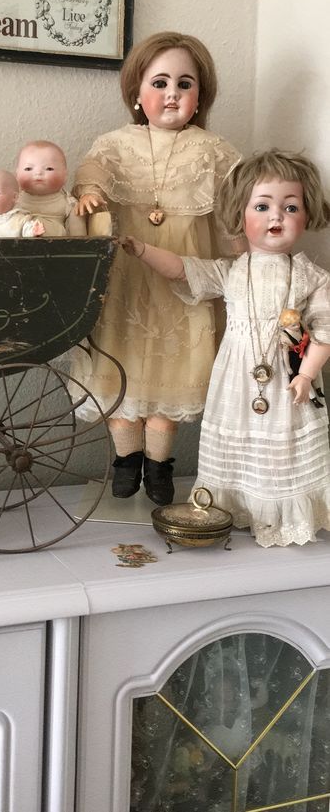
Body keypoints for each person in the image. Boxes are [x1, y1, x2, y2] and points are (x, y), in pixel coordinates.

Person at [123, 149, 330, 547]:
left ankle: (277, 513)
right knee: (238, 439)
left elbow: (323, 330)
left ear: (307, 215)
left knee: (281, 443)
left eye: (291, 207)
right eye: (263, 206)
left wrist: (307, 374)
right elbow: (184, 268)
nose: (277, 217)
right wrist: (143, 250)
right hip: (236, 380)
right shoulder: (232, 271)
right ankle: (232, 504)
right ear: (241, 215)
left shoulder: (310, 276)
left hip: (288, 380)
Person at [72, 32, 244, 505]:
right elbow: (91, 173)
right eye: (160, 81)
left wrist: (243, 251)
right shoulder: (114, 144)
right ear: (136, 93)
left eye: (184, 84)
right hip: (124, 282)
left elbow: (234, 208)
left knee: (171, 375)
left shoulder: (214, 151)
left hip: (183, 284)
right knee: (119, 370)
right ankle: (125, 460)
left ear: (199, 96)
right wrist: (89, 192)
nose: (172, 93)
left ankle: (160, 465)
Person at [17, 140, 87, 237]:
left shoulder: (68, 202)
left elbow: (77, 229)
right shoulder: (13, 198)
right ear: (17, 174)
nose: (38, 173)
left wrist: (80, 243)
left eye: (49, 168)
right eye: (28, 169)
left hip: (54, 244)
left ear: (64, 175)